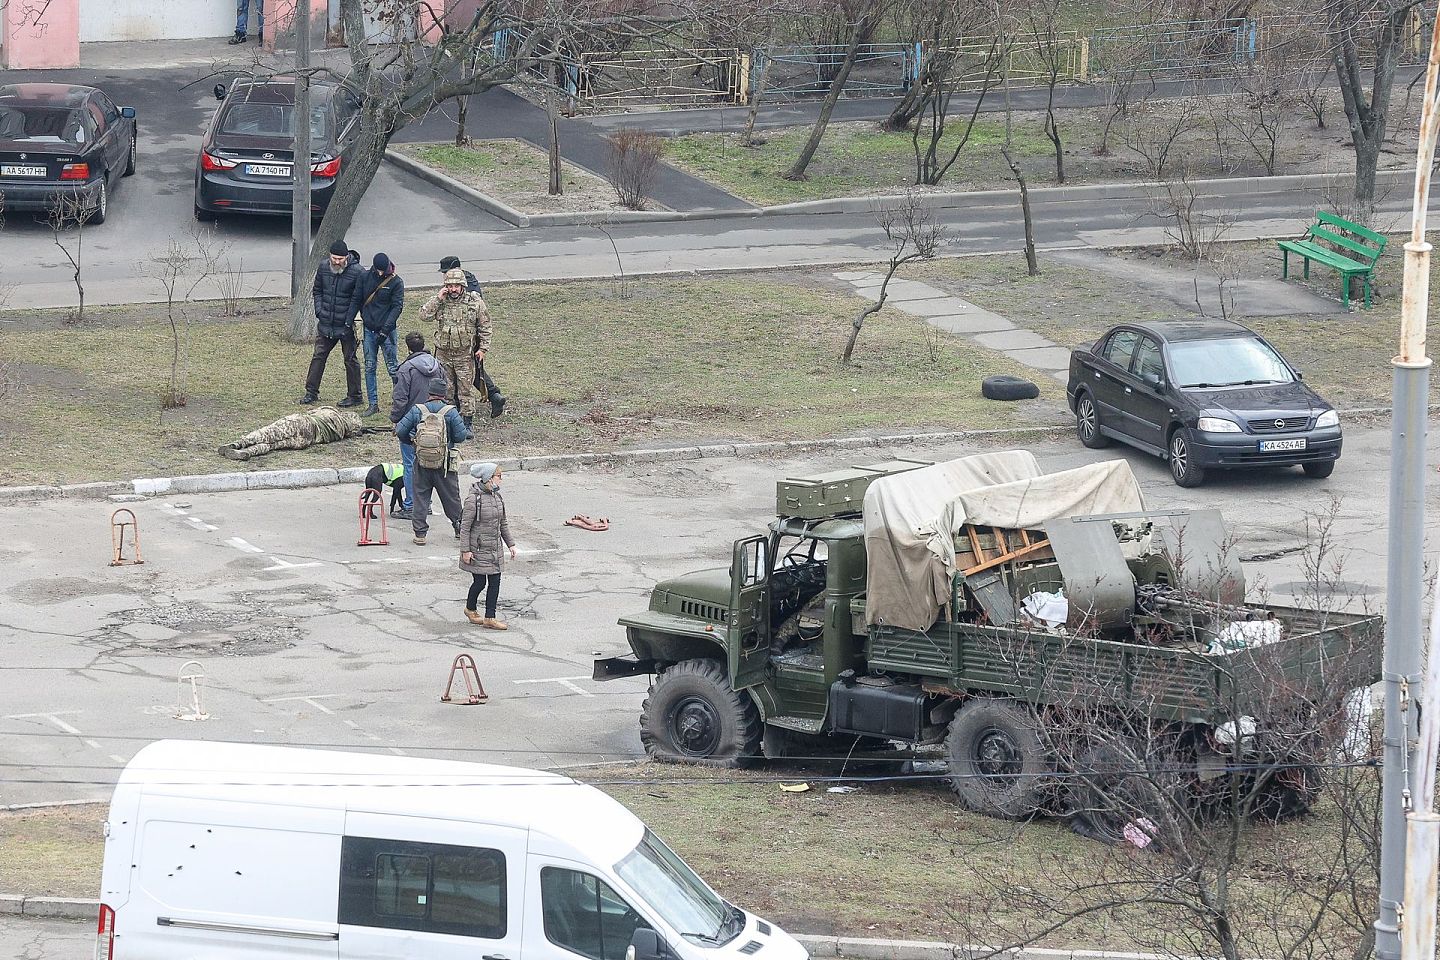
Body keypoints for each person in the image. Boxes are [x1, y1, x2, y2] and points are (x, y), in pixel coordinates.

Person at [394, 377, 472, 545]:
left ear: (429, 392)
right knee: (451, 497)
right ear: (443, 394)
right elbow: (460, 436)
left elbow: (400, 431)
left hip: (421, 462)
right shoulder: (450, 412)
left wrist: (413, 442)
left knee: (420, 497)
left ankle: (420, 534)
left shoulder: (417, 410)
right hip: (445, 464)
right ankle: (459, 528)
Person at [419, 267, 490, 430]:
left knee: (465, 391)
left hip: (464, 355)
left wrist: (483, 349)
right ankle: (450, 421)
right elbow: (424, 316)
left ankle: (467, 423)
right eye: (450, 286)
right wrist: (437, 298)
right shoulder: (441, 301)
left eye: (456, 286)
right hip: (444, 355)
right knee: (446, 390)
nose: (453, 289)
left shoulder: (474, 302)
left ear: (462, 285)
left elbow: (485, 326)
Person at [439, 255, 506, 419]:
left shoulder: (466, 285)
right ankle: (493, 395)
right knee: (469, 370)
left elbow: (477, 310)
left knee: (469, 372)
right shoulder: (469, 278)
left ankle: (490, 396)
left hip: (468, 334)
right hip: (457, 337)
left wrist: (481, 344)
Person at [301, 240, 365, 408]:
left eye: (340, 259)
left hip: (346, 325)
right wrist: (319, 311)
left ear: (346, 257)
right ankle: (311, 392)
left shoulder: (358, 272)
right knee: (318, 356)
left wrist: (348, 320)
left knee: (350, 360)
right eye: (334, 258)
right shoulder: (323, 267)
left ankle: (355, 395)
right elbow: (317, 291)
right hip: (326, 322)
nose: (336, 262)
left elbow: (358, 299)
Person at [390, 332, 442, 519]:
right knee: (428, 462)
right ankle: (426, 504)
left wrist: (395, 419)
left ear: (408, 347)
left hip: (411, 424)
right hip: (434, 423)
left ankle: (411, 505)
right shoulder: (437, 365)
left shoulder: (406, 369)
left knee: (410, 464)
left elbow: (400, 398)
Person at [460, 462, 516, 629]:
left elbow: (503, 523)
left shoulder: (497, 497)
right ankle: (470, 609)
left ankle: (489, 618)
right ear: (488, 478)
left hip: (494, 548)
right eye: (499, 477)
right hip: (478, 549)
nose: (500, 480)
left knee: (495, 580)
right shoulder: (473, 499)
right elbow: (465, 527)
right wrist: (465, 551)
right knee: (479, 582)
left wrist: (510, 544)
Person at [217, 407, 363, 461]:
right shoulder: (341, 433)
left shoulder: (331, 411)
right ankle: (250, 452)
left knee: (267, 433)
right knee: (273, 445)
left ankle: (238, 444)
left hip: (304, 423)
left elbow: (311, 412)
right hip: (307, 440)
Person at [359, 253, 406, 418]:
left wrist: (385, 330)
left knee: (393, 368)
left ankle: (400, 401)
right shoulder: (366, 277)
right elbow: (359, 298)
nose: (380, 274)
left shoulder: (396, 282)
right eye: (378, 270)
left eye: (382, 270)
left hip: (387, 332)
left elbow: (396, 307)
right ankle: (373, 404)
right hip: (369, 329)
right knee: (370, 367)